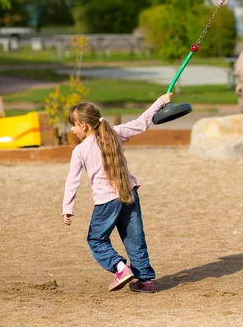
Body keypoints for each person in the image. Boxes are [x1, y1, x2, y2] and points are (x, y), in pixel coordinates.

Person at [62, 93, 173, 294]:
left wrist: (67, 209)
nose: (72, 129)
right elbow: (142, 123)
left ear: (83, 126)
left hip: (107, 202)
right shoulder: (115, 132)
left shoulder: (80, 150)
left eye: (73, 125)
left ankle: (121, 269)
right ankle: (145, 280)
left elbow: (72, 181)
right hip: (129, 193)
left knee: (96, 240)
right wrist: (160, 102)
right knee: (134, 238)